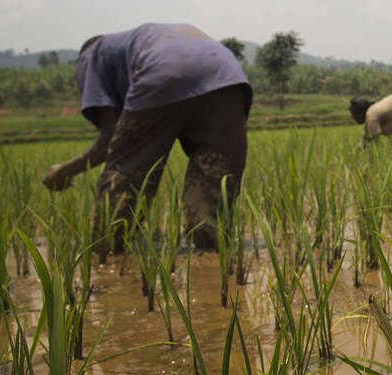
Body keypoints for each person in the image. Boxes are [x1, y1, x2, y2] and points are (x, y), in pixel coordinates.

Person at [42, 23, 252, 252]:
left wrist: (65, 170)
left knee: (127, 173)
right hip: (226, 73)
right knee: (213, 177)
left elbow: (110, 138)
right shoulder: (136, 41)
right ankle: (212, 254)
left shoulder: (91, 56)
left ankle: (107, 250)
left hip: (163, 70)